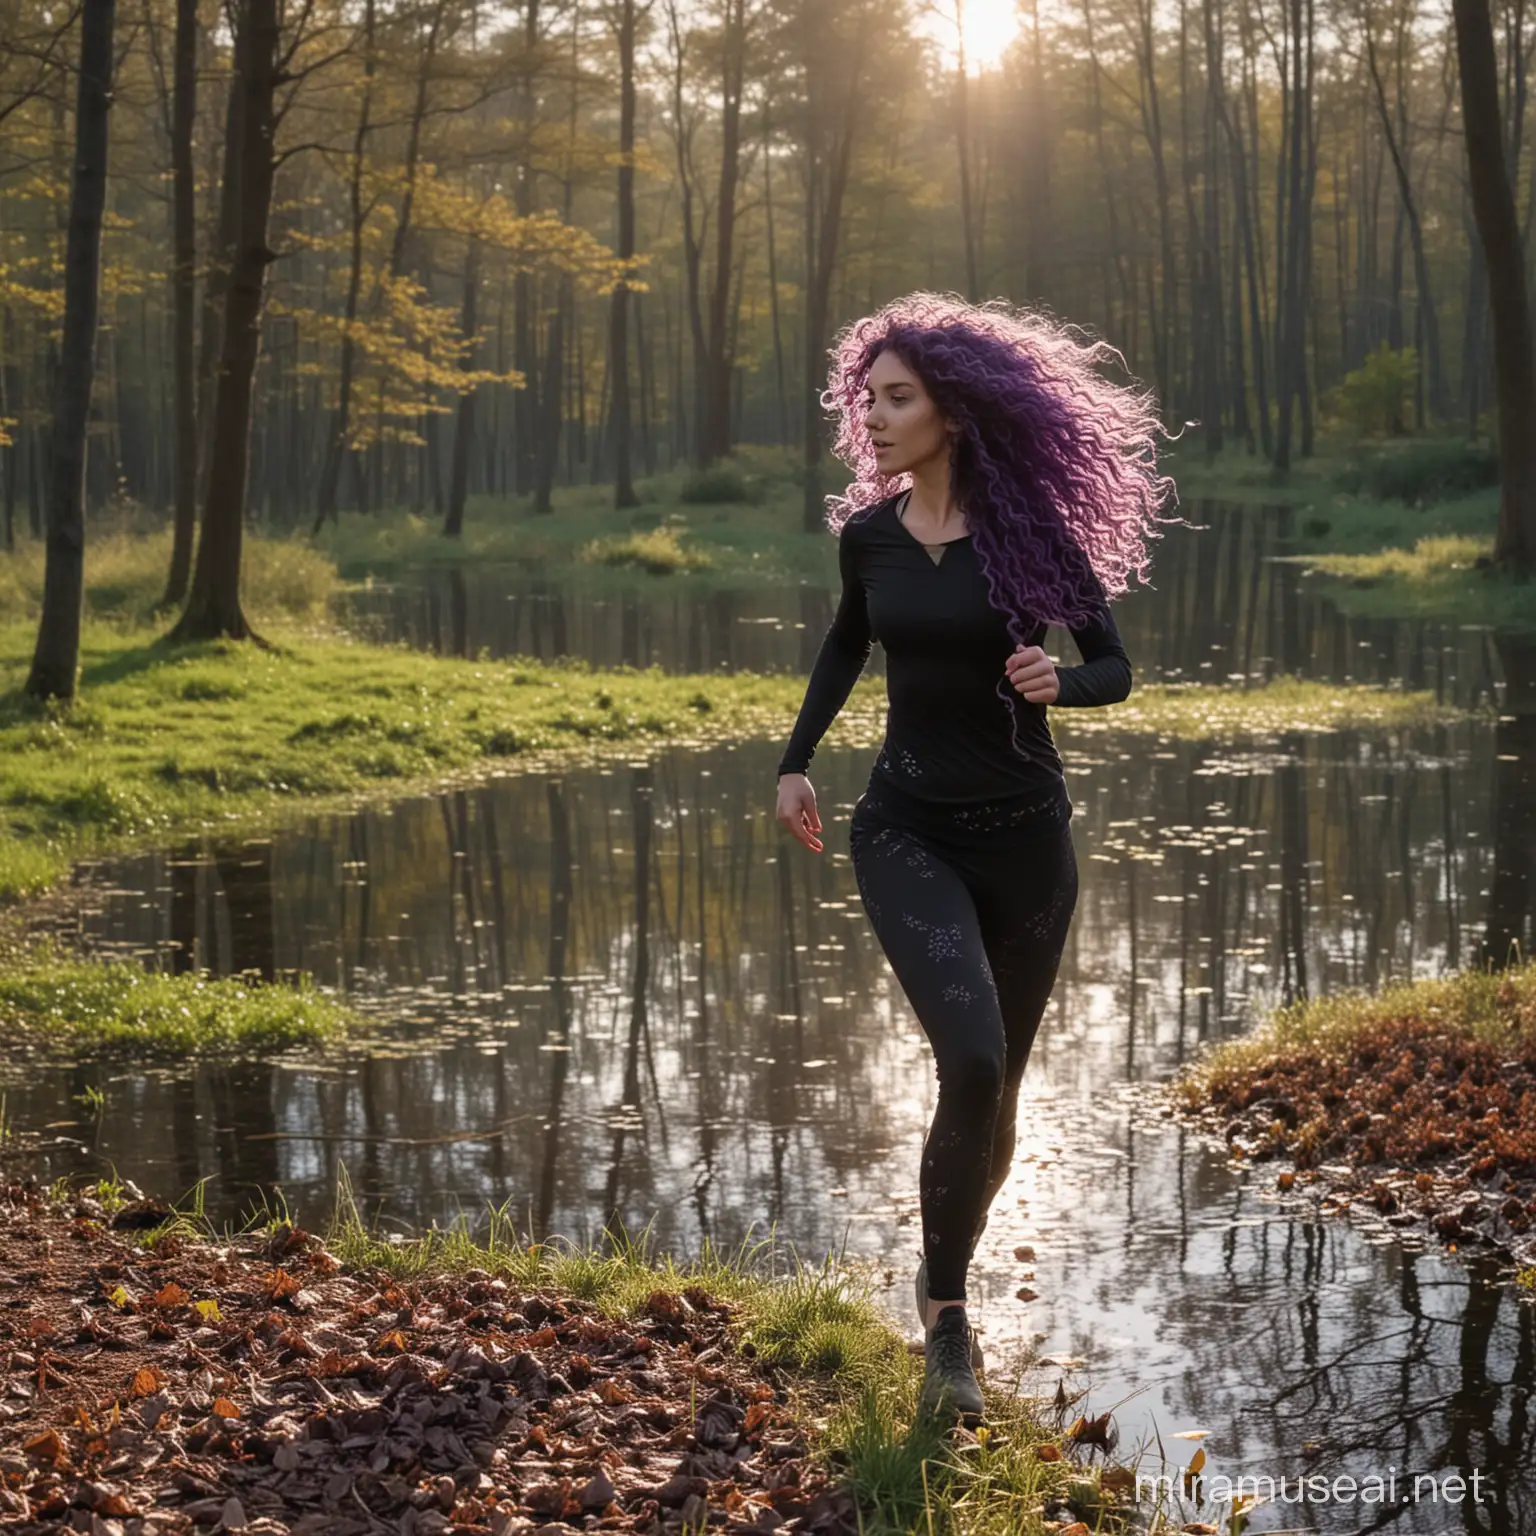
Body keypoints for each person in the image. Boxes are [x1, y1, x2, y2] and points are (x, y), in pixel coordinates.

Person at [774, 292, 1179, 1425]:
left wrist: (1067, 681)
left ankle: (948, 1263)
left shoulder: (1030, 534)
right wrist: (796, 760)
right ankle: (947, 1320)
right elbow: (846, 642)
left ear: (955, 407)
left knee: (996, 1092)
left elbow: (1114, 666)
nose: (879, 416)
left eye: (899, 397)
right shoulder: (869, 535)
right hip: (905, 828)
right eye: (872, 399)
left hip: (1029, 844)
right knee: (972, 1059)